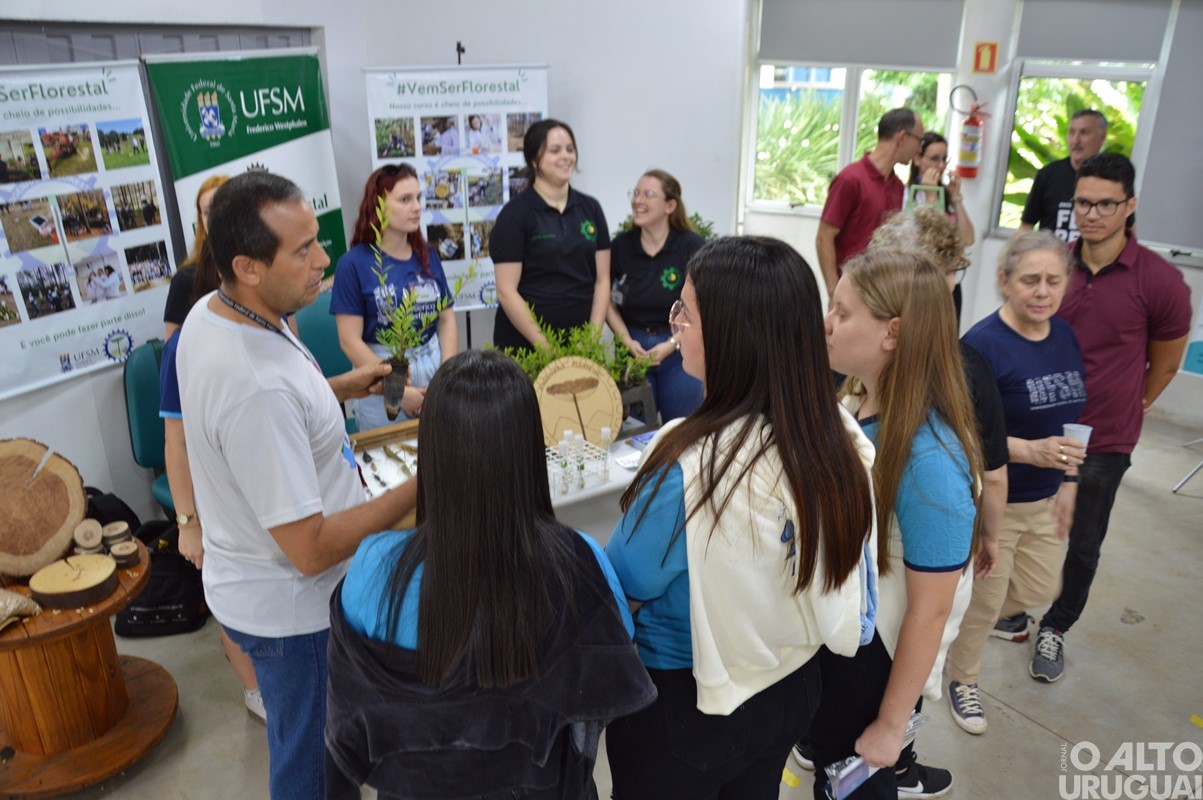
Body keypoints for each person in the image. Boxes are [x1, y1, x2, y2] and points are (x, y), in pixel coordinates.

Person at [604, 236, 878, 799]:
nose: (675, 321)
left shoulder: (688, 468)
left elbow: (618, 597)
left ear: (733, 335)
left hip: (689, 703)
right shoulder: (838, 435)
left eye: (687, 310)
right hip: (791, 686)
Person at [176, 171, 418, 800]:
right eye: (303, 249)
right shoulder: (255, 387)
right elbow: (307, 548)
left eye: (318, 239)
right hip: (294, 613)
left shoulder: (217, 310)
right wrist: (423, 484)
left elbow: (276, 407)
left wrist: (335, 389)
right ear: (247, 266)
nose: (324, 259)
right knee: (314, 770)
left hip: (265, 585)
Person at [326, 350, 656, 799]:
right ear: (528, 448)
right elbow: (607, 685)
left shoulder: (373, 567)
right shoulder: (580, 563)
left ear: (433, 452)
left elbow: (348, 719)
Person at [815, 250, 983, 799]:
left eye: (841, 312)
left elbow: (930, 608)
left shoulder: (930, 459)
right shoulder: (859, 401)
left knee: (854, 784)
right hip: (843, 642)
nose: (827, 323)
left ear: (892, 332)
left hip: (876, 664)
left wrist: (890, 726)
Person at [1021, 153, 1192, 682]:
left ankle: (1056, 627)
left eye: (1105, 203)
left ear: (1129, 205)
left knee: (1083, 540)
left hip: (1104, 437)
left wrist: (1127, 405)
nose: (1091, 214)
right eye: (1083, 202)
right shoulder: (1052, 266)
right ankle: (1011, 609)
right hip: (1036, 427)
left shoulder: (1159, 281)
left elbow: (1164, 364)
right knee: (1022, 523)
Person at [944, 231, 1086, 735]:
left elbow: (1072, 419)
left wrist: (1068, 479)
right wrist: (1030, 451)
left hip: (1046, 498)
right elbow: (963, 432)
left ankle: (950, 621)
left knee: (1041, 587)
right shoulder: (980, 347)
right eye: (1030, 280)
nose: (1042, 291)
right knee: (985, 605)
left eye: (1053, 280)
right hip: (996, 504)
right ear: (1004, 282)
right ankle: (961, 679)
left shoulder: (1064, 335)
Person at [159, 185, 264, 723]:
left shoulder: (274, 327)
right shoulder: (186, 346)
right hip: (217, 496)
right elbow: (174, 441)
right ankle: (255, 691)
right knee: (230, 591)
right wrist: (188, 523)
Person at [331, 164, 457, 429]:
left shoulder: (428, 255)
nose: (417, 207)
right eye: (405, 200)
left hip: (433, 371)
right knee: (389, 464)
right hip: (381, 378)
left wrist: (446, 378)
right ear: (379, 206)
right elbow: (349, 340)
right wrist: (398, 391)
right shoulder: (353, 264)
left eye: (419, 198)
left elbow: (446, 320)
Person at [489, 119, 610, 351]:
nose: (566, 156)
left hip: (580, 343)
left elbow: (602, 280)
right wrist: (546, 348)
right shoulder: (515, 214)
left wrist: (591, 340)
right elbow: (506, 290)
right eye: (555, 151)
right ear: (535, 159)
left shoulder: (590, 208)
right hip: (525, 345)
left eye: (570, 149)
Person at [605, 169, 705, 422]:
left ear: (670, 205)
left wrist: (672, 343)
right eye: (636, 193)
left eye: (648, 195)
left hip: (681, 345)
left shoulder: (691, 246)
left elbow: (706, 304)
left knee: (683, 428)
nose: (638, 200)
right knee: (636, 431)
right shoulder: (621, 247)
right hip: (634, 348)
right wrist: (626, 341)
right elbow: (604, 298)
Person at [816, 107, 924, 298]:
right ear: (901, 137)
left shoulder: (897, 186)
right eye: (918, 140)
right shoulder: (850, 179)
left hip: (880, 292)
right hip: (850, 291)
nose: (919, 149)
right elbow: (824, 237)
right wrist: (833, 292)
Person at [908, 132, 975, 322]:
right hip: (921, 284)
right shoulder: (908, 195)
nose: (940, 165)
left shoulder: (946, 196)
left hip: (950, 284)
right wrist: (930, 197)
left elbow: (968, 239)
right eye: (934, 159)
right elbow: (927, 242)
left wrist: (956, 197)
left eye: (944, 159)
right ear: (918, 159)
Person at [1020, 110, 1110, 242]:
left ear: (1102, 137)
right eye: (1071, 132)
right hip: (1051, 259)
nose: (1075, 140)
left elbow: (1128, 231)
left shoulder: (1114, 179)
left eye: (1084, 132)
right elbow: (1026, 226)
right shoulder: (1048, 174)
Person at [164, 174, 228, 339]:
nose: (214, 217)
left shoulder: (264, 268)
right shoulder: (185, 280)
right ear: (201, 221)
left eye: (221, 208)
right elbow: (172, 355)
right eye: (207, 212)